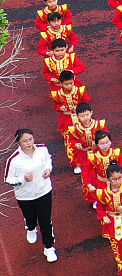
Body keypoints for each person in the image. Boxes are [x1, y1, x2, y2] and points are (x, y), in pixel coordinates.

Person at [4, 129, 56, 262]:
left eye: (30, 139)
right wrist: (23, 179)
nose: (29, 143)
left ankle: (49, 247)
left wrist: (48, 169)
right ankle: (31, 227)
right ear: (18, 143)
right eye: (24, 141)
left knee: (45, 220)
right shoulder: (14, 160)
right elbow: (8, 180)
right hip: (25, 196)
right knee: (31, 217)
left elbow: (48, 159)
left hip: (44, 191)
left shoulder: (42, 149)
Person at [94, 163, 122, 276]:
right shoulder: (102, 193)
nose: (117, 181)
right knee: (121, 249)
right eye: (114, 179)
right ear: (108, 179)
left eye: (119, 178)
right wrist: (103, 217)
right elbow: (100, 207)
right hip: (113, 224)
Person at [49, 70, 90, 164]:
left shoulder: (79, 90)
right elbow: (55, 104)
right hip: (66, 119)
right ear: (61, 84)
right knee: (70, 142)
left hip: (81, 118)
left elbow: (86, 100)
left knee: (85, 138)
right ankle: (75, 163)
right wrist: (60, 108)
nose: (69, 86)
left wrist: (80, 107)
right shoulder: (57, 94)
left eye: (71, 83)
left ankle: (88, 160)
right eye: (66, 84)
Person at [67, 101, 106, 175]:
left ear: (91, 113)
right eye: (82, 116)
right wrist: (76, 144)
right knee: (86, 170)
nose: (85, 118)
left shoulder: (98, 124)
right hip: (83, 151)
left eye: (87, 115)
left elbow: (105, 135)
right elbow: (71, 140)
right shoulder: (75, 129)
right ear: (77, 116)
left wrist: (98, 141)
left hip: (96, 149)